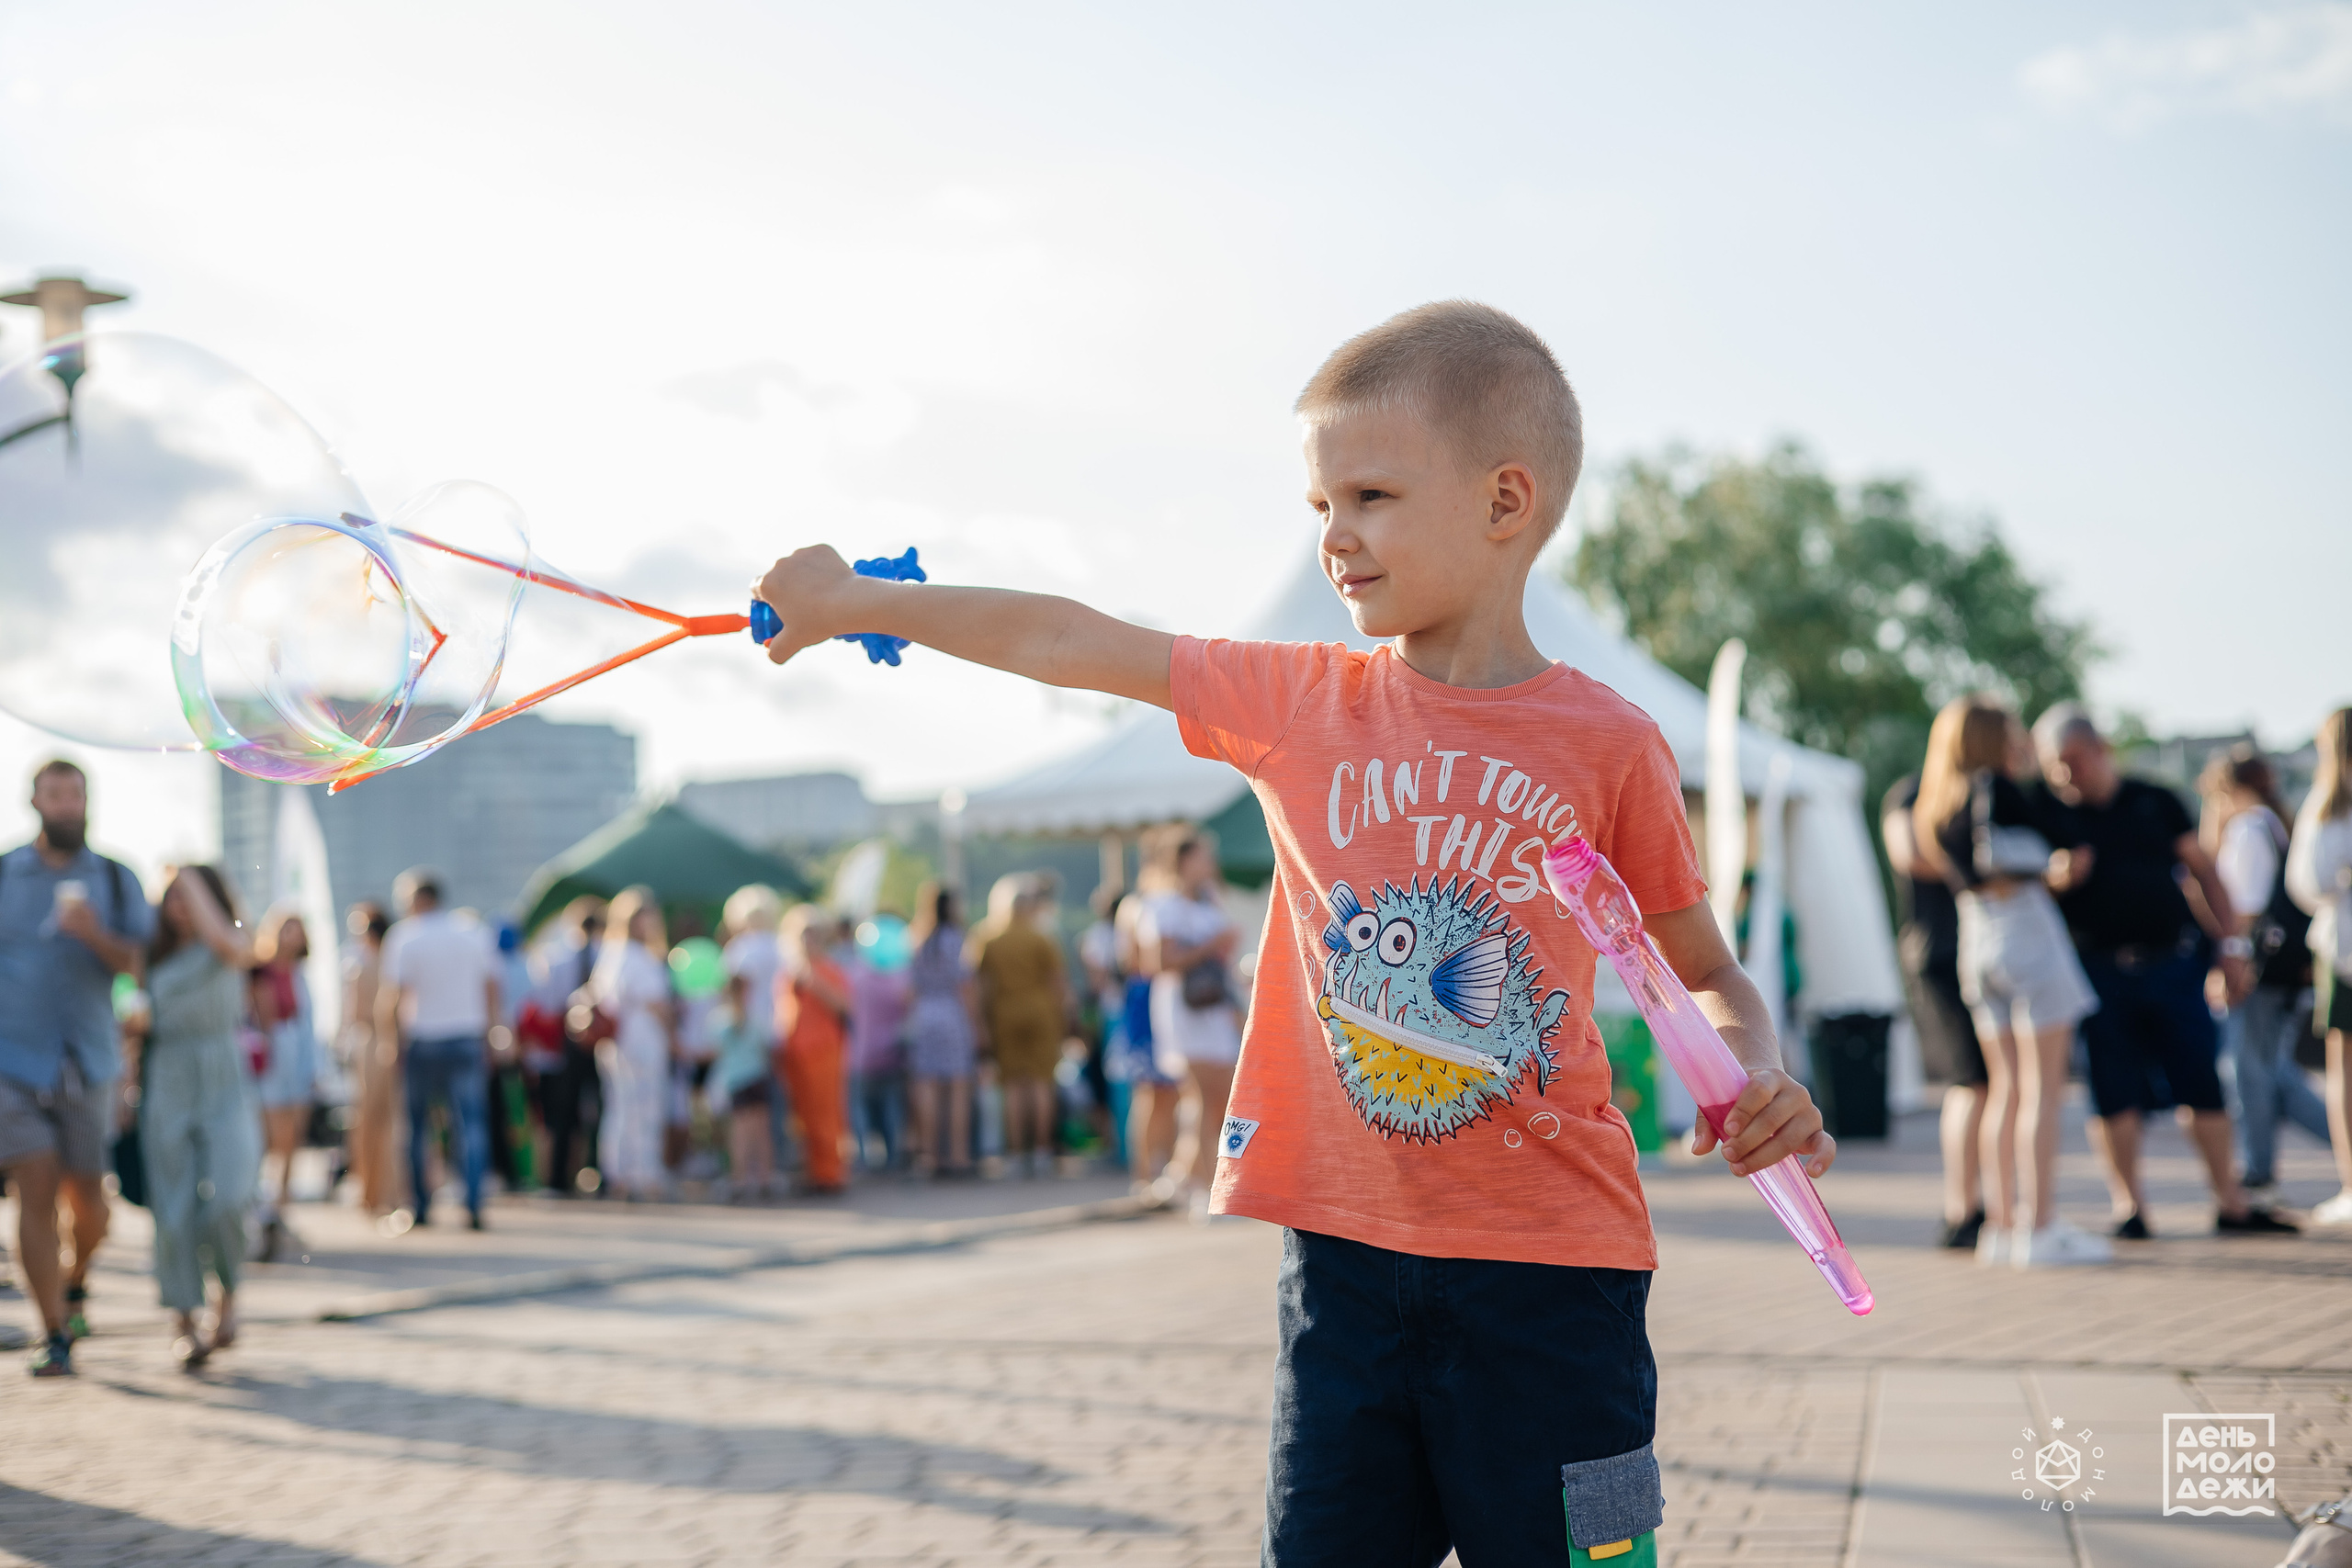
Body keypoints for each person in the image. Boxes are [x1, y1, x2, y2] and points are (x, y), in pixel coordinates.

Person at [754, 301, 1832, 1560]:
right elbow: (1069, 639)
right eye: (1319, 506)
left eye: (1369, 495)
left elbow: (1705, 971)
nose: (1335, 538)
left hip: (1557, 1285)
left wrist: (1751, 1063)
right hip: (1346, 1276)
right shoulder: (1297, 701)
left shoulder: (1612, 744)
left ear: (1505, 502)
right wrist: (855, 599)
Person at [2032, 705, 2293, 1238]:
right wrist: (2055, 878)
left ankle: (2230, 1202)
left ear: (2099, 749)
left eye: (2071, 760)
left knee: (2200, 1082)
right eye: (2053, 765)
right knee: (2114, 1091)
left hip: (2173, 963)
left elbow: (2204, 873)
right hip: (2097, 973)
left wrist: (2231, 947)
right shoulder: (2048, 814)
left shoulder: (2155, 800)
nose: (2064, 774)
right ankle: (2130, 1207)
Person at [1914, 697, 2107, 1268]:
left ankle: (2002, 1228)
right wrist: (2052, 869)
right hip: (2026, 937)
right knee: (2042, 1091)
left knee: (2004, 1090)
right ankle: (2040, 1227)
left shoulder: (1937, 802)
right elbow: (2006, 859)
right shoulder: (1995, 789)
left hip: (1979, 943)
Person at [0, 759, 153, 1376]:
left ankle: (76, 1273)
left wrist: (93, 933)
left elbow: (139, 964)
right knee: (33, 1184)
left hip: (90, 1062)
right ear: (34, 801)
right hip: (12, 1064)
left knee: (90, 1205)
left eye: (77, 794)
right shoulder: (5, 874)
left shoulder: (115, 878)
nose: (68, 804)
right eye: (56, 794)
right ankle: (53, 1330)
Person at [133, 865, 260, 1368]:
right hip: (167, 1074)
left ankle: (228, 1299)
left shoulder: (231, 941)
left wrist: (188, 875)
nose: (179, 908)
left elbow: (233, 943)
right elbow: (130, 1005)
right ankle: (184, 1318)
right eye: (172, 899)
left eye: (189, 898)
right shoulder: (150, 954)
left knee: (230, 1196)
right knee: (174, 1205)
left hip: (223, 1072)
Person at [2202, 746, 2331, 1210]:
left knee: (2254, 1074)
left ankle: (2259, 1176)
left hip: (2259, 973)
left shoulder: (2248, 827)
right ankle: (2264, 1170)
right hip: (2281, 971)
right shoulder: (2274, 823)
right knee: (2272, 1074)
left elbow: (2243, 905)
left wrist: (2229, 958)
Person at [1883, 770, 1985, 1249]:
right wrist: (1987, 864)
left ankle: (1985, 1202)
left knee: (1988, 1086)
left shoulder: (1988, 788)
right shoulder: (1909, 792)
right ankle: (1961, 1208)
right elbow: (1910, 856)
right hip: (1939, 955)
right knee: (1969, 1083)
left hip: (1977, 951)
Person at [376, 868, 500, 1230]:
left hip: (423, 1040)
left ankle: (421, 1207)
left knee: (417, 1128)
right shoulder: (472, 932)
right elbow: (491, 986)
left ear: (416, 899)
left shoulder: (405, 937)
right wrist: (493, 1031)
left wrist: (389, 1041)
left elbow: (392, 997)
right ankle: (474, 1203)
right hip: (466, 1037)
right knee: (471, 1124)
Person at [1138, 828, 1242, 1221]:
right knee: (1202, 1097)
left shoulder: (1209, 901)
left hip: (1214, 1009)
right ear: (1184, 861)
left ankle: (1183, 1177)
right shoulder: (1163, 906)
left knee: (1217, 1100)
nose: (1210, 863)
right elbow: (1158, 963)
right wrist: (1211, 944)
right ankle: (1205, 1188)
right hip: (1184, 1009)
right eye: (1202, 856)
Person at [2286, 706, 2352, 1226]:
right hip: (2341, 947)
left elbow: (2307, 883)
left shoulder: (2326, 807)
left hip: (2342, 950)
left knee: (2343, 1070)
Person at [972, 874, 1069, 1178]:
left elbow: (980, 986)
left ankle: (1015, 1152)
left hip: (1004, 1016)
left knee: (1013, 1087)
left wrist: (981, 1024)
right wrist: (1064, 1021)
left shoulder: (986, 937)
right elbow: (1058, 984)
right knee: (1041, 1084)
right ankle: (1041, 1150)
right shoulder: (1041, 937)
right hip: (1040, 1015)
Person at [592, 886, 673, 1201]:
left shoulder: (611, 953)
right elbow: (657, 1004)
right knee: (644, 1109)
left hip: (617, 1044)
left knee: (620, 1109)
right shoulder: (637, 956)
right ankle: (642, 1174)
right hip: (640, 1043)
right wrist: (674, 1035)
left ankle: (619, 1172)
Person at [249, 907, 320, 1262]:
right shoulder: (260, 972)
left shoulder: (301, 974)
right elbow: (262, 1022)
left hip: (299, 1057)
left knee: (293, 1137)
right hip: (273, 1058)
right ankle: (261, 1211)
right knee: (269, 1138)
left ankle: (280, 1208)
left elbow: (308, 1022)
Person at [903, 883, 978, 1178]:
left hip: (923, 1015)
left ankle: (931, 1155)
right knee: (957, 1088)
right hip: (951, 1013)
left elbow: (908, 988)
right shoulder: (957, 939)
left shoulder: (915, 938)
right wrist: (977, 1025)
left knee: (927, 1087)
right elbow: (965, 985)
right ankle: (958, 1156)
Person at [776, 906, 853, 1194]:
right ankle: (811, 1170)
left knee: (827, 1112)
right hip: (796, 1052)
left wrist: (814, 982)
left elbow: (844, 1007)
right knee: (801, 1118)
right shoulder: (788, 973)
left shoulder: (829, 971)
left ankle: (830, 1172)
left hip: (824, 1051)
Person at [338, 901, 405, 1224]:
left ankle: (369, 1192)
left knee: (366, 1121)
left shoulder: (360, 965)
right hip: (395, 1042)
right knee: (392, 1121)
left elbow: (350, 1013)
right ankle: (392, 1193)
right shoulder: (394, 961)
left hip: (369, 1042)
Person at [537, 897, 606, 1196]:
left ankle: (559, 1178)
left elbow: (547, 1000)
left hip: (570, 1038)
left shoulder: (554, 957)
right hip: (598, 1038)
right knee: (603, 1106)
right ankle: (599, 1171)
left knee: (565, 1111)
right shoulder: (608, 955)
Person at [844, 928, 911, 1172]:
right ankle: (892, 1155)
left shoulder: (856, 976)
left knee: (861, 1111)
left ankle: (863, 1157)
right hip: (891, 1053)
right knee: (891, 1109)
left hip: (861, 1056)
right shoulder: (899, 978)